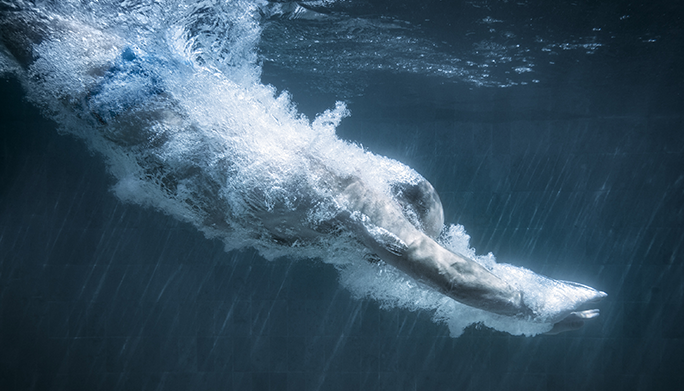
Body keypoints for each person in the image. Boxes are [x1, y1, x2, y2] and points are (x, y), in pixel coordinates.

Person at [0, 3, 605, 334]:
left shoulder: (339, 228)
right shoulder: (355, 195)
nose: (390, 252)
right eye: (405, 230)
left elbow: (429, 278)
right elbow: (436, 270)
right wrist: (531, 302)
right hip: (121, 89)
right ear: (397, 206)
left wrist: (527, 318)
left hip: (117, 103)